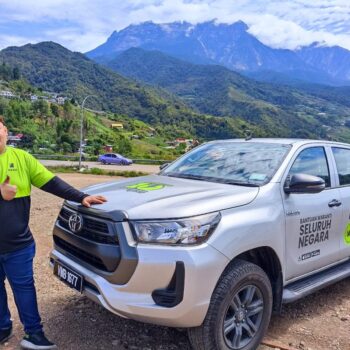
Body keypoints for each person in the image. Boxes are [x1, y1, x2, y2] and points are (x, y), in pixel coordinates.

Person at [0, 116, 107, 349]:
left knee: (24, 288)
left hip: (18, 245)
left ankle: (34, 333)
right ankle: (2, 327)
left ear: (5, 131)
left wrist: (81, 197)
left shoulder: (21, 158)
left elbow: (51, 182)